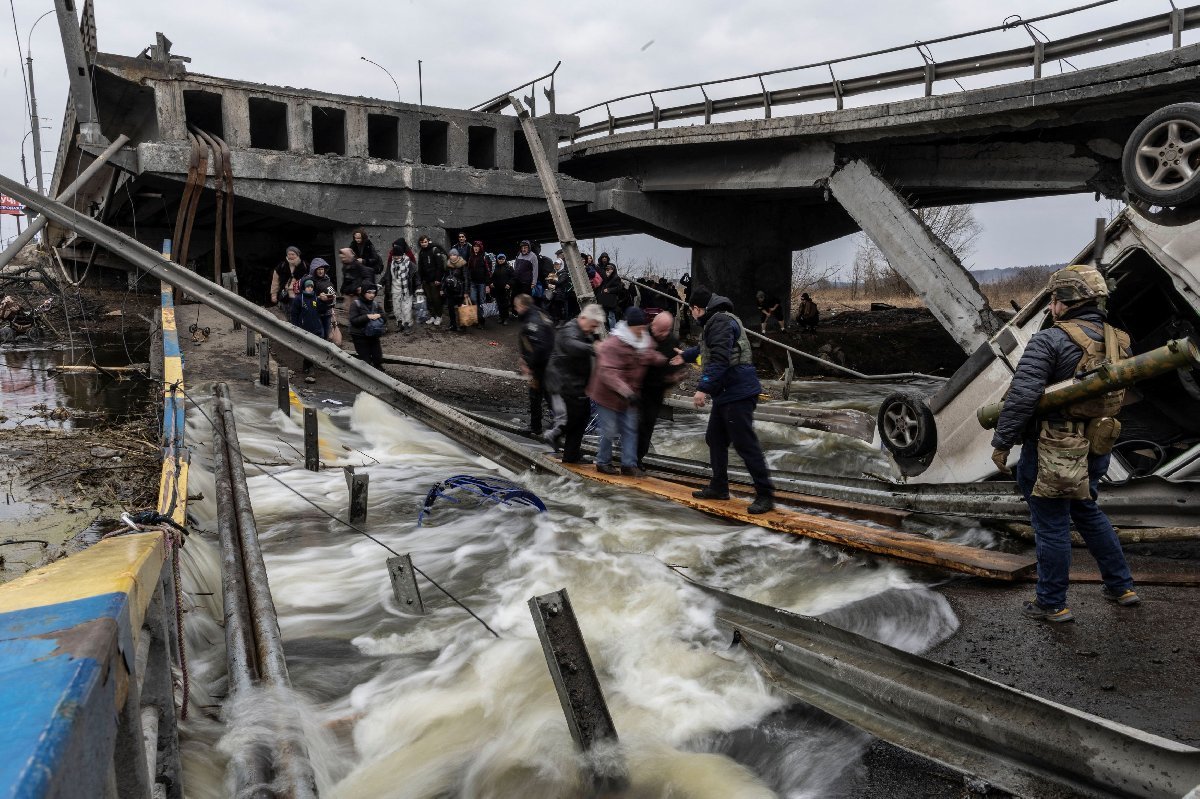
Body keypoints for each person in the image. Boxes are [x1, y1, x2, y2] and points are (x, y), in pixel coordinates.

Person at [989, 265, 1139, 623]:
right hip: (1097, 443)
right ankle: (1122, 587)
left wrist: (1002, 441)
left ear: (1067, 301)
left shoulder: (1050, 340)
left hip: (1052, 447)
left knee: (1051, 523)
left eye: (1054, 299)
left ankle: (1052, 603)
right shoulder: (1120, 340)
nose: (1051, 306)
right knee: (1088, 511)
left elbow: (1022, 397)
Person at [683, 285, 775, 514]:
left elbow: (721, 359)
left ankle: (765, 495)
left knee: (745, 444)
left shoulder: (720, 322)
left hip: (739, 392)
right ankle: (719, 487)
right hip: (727, 392)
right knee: (715, 438)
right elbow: (708, 348)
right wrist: (685, 355)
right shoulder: (716, 320)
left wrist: (702, 388)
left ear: (697, 308)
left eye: (691, 310)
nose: (692, 315)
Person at [587, 307, 665, 476]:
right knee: (609, 429)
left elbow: (650, 354)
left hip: (629, 396)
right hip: (607, 395)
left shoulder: (645, 341)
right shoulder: (613, 344)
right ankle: (603, 462)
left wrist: (665, 361)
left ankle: (629, 464)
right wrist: (626, 391)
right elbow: (607, 372)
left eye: (643, 327)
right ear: (629, 327)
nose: (641, 330)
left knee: (630, 429)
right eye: (638, 328)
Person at [544, 304, 604, 462]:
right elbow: (572, 346)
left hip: (578, 385)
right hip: (563, 384)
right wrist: (593, 348)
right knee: (571, 419)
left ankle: (571, 455)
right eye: (592, 326)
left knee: (582, 418)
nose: (593, 329)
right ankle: (552, 434)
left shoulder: (587, 332)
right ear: (583, 318)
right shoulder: (568, 330)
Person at [637, 310, 686, 469]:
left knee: (647, 425)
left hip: (657, 390)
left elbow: (679, 362)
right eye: (660, 330)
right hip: (638, 388)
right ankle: (627, 458)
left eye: (667, 330)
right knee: (633, 424)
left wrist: (676, 376)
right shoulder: (642, 335)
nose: (664, 334)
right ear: (653, 325)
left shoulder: (672, 340)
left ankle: (638, 459)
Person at [515, 293, 555, 434]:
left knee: (540, 395)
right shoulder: (540, 313)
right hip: (548, 363)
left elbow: (540, 347)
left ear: (522, 306)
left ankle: (540, 427)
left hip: (542, 365)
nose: (516, 310)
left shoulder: (533, 321)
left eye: (517, 307)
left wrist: (529, 365)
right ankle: (539, 426)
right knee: (543, 395)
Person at [289, 277, 327, 382]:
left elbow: (323, 310)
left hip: (316, 327)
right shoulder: (299, 299)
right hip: (304, 328)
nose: (310, 288)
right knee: (308, 348)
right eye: (308, 286)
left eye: (311, 286)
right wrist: (295, 327)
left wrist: (324, 301)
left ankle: (307, 366)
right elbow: (294, 315)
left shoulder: (316, 298)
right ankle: (310, 368)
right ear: (303, 288)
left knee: (315, 347)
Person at [348, 284, 386, 369]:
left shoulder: (375, 304)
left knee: (378, 358)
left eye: (373, 292)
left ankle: (380, 377)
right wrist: (367, 317)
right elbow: (353, 320)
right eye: (369, 292)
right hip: (359, 335)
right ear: (364, 292)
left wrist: (379, 315)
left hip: (373, 334)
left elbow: (384, 317)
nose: (372, 295)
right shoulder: (356, 304)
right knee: (366, 361)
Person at [387, 239, 418, 333]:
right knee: (397, 308)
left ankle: (407, 325)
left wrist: (419, 288)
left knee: (406, 309)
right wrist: (380, 283)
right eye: (394, 256)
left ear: (402, 254)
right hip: (395, 289)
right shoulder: (391, 264)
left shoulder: (409, 264)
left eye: (398, 255)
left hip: (406, 290)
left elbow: (416, 277)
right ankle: (400, 324)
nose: (396, 257)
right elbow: (387, 275)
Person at [417, 235, 447, 326]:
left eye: (425, 242)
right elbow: (420, 267)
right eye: (422, 242)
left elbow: (440, 266)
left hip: (434, 280)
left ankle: (439, 316)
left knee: (436, 299)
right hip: (426, 281)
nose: (424, 244)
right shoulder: (421, 252)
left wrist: (438, 279)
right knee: (429, 299)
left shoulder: (434, 250)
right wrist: (421, 280)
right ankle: (433, 316)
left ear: (428, 241)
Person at [307, 258, 336, 339]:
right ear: (314, 270)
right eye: (318, 269)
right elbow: (306, 297)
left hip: (327, 311)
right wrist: (319, 297)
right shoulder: (309, 281)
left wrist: (332, 310)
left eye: (322, 269)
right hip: (315, 312)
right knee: (320, 334)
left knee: (327, 334)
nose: (321, 271)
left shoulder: (327, 279)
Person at [466, 240, 492, 329]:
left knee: (482, 302)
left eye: (477, 246)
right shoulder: (471, 257)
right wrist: (468, 281)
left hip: (482, 283)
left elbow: (488, 271)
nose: (475, 248)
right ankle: (475, 319)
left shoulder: (485, 257)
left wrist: (488, 285)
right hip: (473, 282)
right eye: (474, 246)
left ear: (480, 247)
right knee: (473, 300)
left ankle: (481, 322)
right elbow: (468, 270)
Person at [597, 256, 625, 330]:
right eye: (607, 269)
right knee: (605, 315)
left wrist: (609, 290)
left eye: (611, 269)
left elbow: (619, 288)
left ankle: (613, 330)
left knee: (611, 316)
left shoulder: (616, 278)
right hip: (605, 300)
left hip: (611, 300)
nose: (609, 270)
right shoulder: (605, 277)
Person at [444, 253, 468, 332]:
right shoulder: (448, 265)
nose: (452, 256)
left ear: (457, 256)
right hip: (450, 291)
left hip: (459, 291)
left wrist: (465, 292)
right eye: (451, 255)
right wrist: (442, 288)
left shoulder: (462, 264)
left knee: (462, 309)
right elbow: (445, 277)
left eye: (454, 255)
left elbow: (466, 279)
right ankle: (453, 325)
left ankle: (463, 326)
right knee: (450, 309)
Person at [491, 253, 515, 325]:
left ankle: (506, 318)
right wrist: (492, 283)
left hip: (505, 289)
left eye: (502, 259)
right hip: (497, 288)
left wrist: (509, 284)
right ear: (497, 259)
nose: (501, 260)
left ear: (505, 259)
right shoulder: (495, 267)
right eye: (499, 259)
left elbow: (513, 277)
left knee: (505, 304)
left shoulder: (509, 267)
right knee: (499, 303)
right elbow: (493, 277)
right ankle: (501, 317)